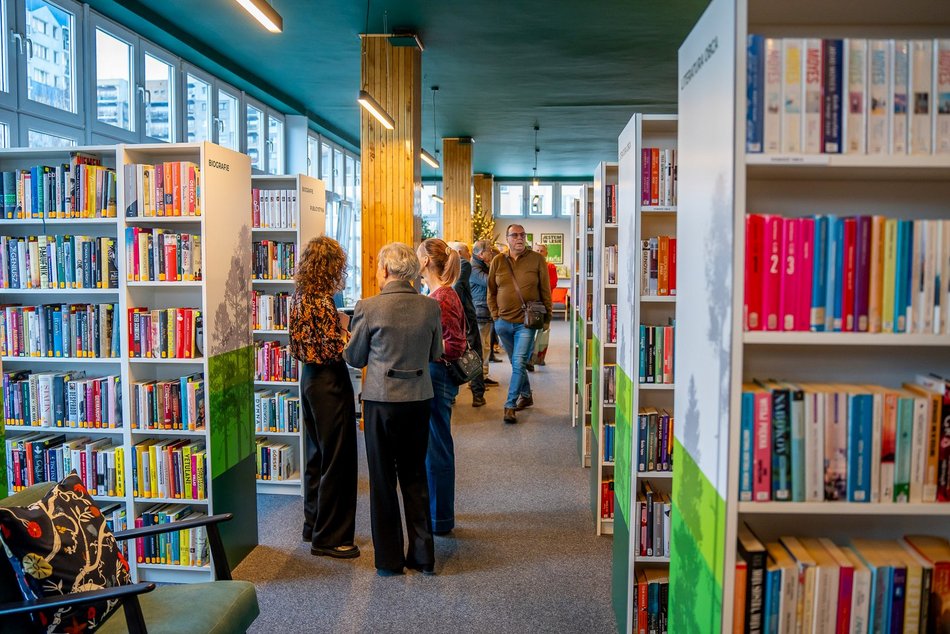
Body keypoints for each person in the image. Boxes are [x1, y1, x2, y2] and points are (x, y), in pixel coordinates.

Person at [343, 242, 444, 576]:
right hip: (418, 399)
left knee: (383, 480)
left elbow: (355, 358)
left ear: (385, 270)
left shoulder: (367, 307)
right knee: (415, 476)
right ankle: (423, 555)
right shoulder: (431, 307)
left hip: (381, 402)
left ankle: (388, 559)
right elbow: (435, 353)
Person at [288, 236, 358, 559]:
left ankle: (312, 524)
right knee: (338, 459)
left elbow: (303, 343)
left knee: (317, 455)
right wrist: (350, 333)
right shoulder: (320, 300)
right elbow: (334, 347)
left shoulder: (300, 295)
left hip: (309, 380)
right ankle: (329, 538)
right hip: (330, 379)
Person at [417, 238, 466, 536]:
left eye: (417, 254)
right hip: (434, 376)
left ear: (425, 262)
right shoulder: (435, 294)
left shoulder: (442, 297)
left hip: (439, 377)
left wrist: (424, 347)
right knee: (434, 446)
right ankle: (437, 513)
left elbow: (456, 345)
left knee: (437, 449)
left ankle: (441, 519)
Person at [486, 224, 553, 424]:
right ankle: (527, 394)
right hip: (503, 323)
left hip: (526, 323)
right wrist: (495, 316)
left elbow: (545, 290)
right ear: (508, 239)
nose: (519, 238)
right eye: (514, 235)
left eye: (522, 235)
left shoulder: (537, 259)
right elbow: (491, 291)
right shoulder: (498, 261)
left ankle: (510, 405)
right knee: (517, 362)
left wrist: (547, 317)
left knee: (519, 362)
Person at [449, 241, 489, 407]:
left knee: (451, 354)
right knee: (474, 354)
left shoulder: (446, 267)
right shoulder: (463, 264)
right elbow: (457, 288)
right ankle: (478, 394)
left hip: (455, 317)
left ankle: (452, 394)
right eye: (465, 251)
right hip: (466, 317)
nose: (468, 254)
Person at [469, 239, 500, 388]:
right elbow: (491, 282)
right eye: (490, 251)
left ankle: (483, 375)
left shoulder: (481, 266)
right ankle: (476, 379)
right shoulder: (474, 268)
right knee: (480, 346)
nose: (492, 253)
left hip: (484, 311)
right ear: (481, 254)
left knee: (486, 346)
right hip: (479, 311)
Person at [529, 243, 559, 368]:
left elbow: (551, 284)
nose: (539, 252)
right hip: (531, 305)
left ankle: (539, 358)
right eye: (537, 250)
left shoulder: (550, 267)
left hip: (544, 304)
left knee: (543, 332)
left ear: (546, 254)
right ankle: (529, 359)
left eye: (542, 251)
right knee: (529, 331)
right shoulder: (529, 266)